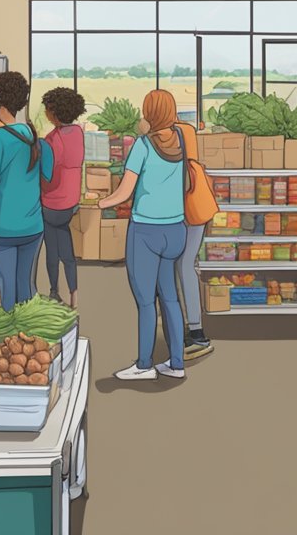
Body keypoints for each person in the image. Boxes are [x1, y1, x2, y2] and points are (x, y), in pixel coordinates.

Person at [99, 89, 189, 381]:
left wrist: (100, 202)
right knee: (171, 298)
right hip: (176, 229)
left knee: (146, 301)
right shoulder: (182, 141)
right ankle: (176, 364)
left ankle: (144, 364)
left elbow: (124, 193)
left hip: (146, 231)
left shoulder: (143, 146)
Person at [0, 72, 53, 312]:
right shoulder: (34, 136)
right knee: (26, 285)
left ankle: (13, 337)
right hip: (32, 226)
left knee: (8, 289)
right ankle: (30, 339)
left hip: (1, 228)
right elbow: (47, 177)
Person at [173, 113, 216, 361]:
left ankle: (195, 332)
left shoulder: (181, 169)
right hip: (196, 217)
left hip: (186, 218)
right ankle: (193, 328)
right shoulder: (196, 167)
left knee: (182, 267)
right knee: (186, 266)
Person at [39, 87, 85, 307]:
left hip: (51, 201)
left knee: (52, 250)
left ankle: (55, 290)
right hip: (71, 201)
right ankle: (74, 293)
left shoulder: (51, 139)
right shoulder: (78, 133)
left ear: (53, 112)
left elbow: (47, 172)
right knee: (66, 248)